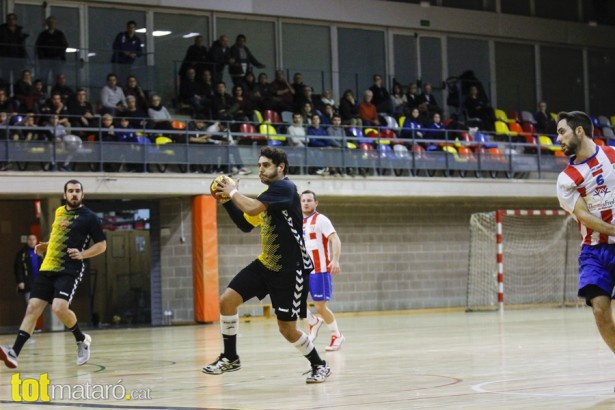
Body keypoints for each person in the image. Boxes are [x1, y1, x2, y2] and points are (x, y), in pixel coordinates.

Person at [202, 147, 331, 383]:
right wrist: (226, 201)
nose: (260, 169)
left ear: (280, 167)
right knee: (226, 301)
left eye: (265, 165)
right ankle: (230, 357)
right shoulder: (268, 195)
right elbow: (245, 223)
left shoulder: (286, 188)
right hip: (266, 264)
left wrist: (232, 192)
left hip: (291, 271)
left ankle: (319, 364)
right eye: (259, 165)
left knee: (287, 329)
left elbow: (250, 207)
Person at [0, 180, 107, 369]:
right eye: (70, 191)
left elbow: (102, 245)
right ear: (64, 195)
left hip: (69, 269)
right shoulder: (59, 212)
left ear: (82, 194)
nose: (74, 194)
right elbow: (60, 237)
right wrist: (46, 246)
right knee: (32, 308)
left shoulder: (90, 217)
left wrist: (82, 254)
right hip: (48, 267)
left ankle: (81, 340)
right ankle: (14, 352)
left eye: (77, 191)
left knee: (58, 308)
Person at [555, 110, 615, 368]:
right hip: (593, 251)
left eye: (561, 132)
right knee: (601, 312)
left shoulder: (613, 156)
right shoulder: (566, 179)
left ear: (579, 131)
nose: (558, 138)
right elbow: (583, 215)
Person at [300, 190, 344, 351]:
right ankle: (313, 322)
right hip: (303, 270)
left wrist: (335, 260)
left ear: (316, 203)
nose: (306, 203)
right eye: (303, 200)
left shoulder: (321, 219)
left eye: (309, 200)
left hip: (320, 270)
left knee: (320, 307)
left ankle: (337, 336)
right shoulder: (298, 221)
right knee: (294, 300)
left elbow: (335, 239)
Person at [35, 16, 68, 87]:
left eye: (53, 22)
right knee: (43, 78)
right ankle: (43, 93)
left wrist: (60, 55)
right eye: (50, 22)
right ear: (47, 24)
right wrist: (42, 57)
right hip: (45, 59)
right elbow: (38, 46)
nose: (52, 24)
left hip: (56, 59)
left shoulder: (60, 34)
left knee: (57, 78)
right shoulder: (43, 34)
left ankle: (57, 92)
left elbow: (64, 45)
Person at [13, 234, 43, 307]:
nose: (32, 241)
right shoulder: (22, 253)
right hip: (28, 283)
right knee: (30, 305)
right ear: (27, 241)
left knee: (41, 305)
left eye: (33, 240)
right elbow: (18, 268)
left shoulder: (40, 252)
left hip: (40, 283)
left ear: (36, 241)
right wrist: (20, 281)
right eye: (30, 239)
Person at [0, 13, 28, 80]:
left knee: (17, 77)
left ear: (16, 20)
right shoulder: (2, 29)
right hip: (5, 57)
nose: (11, 21)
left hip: (17, 57)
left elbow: (22, 44)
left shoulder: (19, 30)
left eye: (13, 19)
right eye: (9, 19)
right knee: (5, 78)